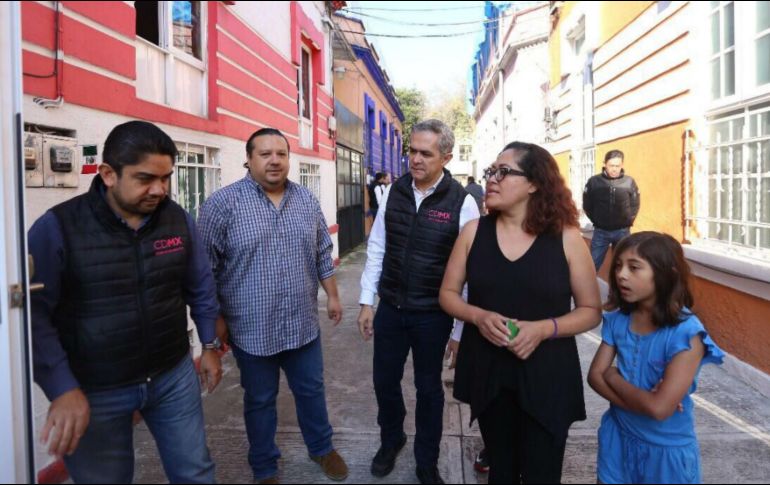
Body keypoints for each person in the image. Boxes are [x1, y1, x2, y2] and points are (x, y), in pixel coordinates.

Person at [29, 120, 222, 484]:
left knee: (195, 472)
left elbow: (200, 286)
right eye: (146, 178)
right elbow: (33, 317)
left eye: (166, 178)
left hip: (172, 376)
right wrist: (61, 387)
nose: (159, 190)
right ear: (108, 174)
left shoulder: (177, 220)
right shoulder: (58, 228)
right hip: (95, 388)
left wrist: (209, 344)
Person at [439, 141, 602, 484]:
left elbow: (590, 311)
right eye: (490, 172)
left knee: (543, 473)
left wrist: (544, 329)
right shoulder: (473, 232)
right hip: (489, 371)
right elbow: (448, 295)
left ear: (534, 183)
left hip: (547, 374)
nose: (492, 180)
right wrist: (478, 317)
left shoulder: (568, 239)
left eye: (503, 172)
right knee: (502, 469)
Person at [197, 128, 347, 484]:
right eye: (265, 154)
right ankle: (264, 466)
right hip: (252, 330)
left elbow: (322, 252)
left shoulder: (306, 200)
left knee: (311, 390)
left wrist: (334, 296)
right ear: (248, 159)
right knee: (260, 400)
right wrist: (214, 322)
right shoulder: (222, 205)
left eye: (281, 153)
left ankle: (320, 447)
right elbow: (205, 270)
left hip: (302, 325)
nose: (275, 160)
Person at [357, 119, 480, 484]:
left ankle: (427, 459)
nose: (415, 159)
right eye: (411, 151)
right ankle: (391, 439)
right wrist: (367, 301)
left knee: (428, 390)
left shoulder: (463, 202)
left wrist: (459, 330)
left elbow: (469, 273)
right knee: (384, 381)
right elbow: (378, 246)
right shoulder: (394, 191)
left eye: (425, 153)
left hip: (433, 315)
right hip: (391, 308)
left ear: (446, 156)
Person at [588, 232, 724, 484]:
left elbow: (659, 409)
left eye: (634, 267)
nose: (621, 274)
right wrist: (645, 402)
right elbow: (594, 376)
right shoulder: (618, 320)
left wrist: (613, 376)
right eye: (618, 266)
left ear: (666, 274)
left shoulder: (686, 334)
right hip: (618, 438)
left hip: (666, 452)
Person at [583, 149, 640, 271]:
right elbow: (587, 205)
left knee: (623, 268)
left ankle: (617, 290)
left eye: (617, 166)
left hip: (622, 232)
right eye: (611, 165)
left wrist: (628, 220)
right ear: (605, 164)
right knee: (591, 266)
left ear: (622, 165)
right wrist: (597, 220)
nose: (614, 169)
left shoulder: (629, 181)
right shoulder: (594, 182)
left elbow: (635, 204)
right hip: (601, 232)